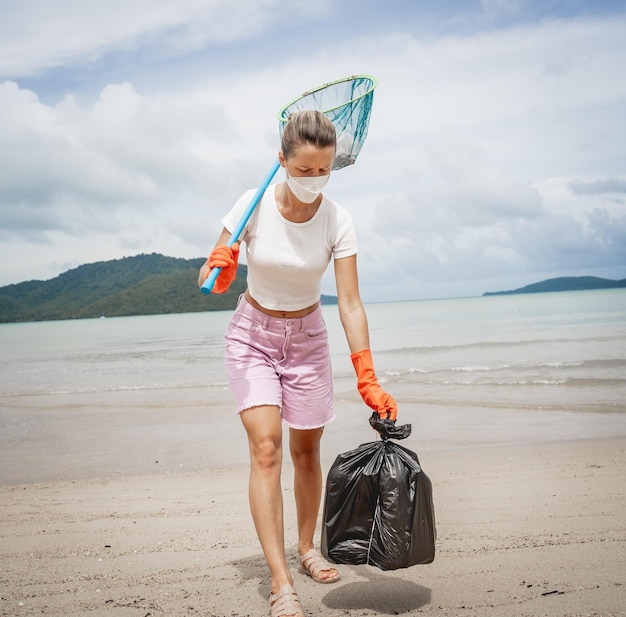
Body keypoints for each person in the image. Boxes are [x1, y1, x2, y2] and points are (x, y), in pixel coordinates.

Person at [198, 110, 397, 617]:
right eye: (304, 169)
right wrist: (219, 269)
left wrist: (367, 375)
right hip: (253, 336)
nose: (314, 180)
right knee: (266, 449)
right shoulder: (253, 204)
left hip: (307, 338)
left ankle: (306, 548)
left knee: (306, 454)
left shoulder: (337, 219)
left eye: (323, 170)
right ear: (282, 161)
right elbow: (210, 268)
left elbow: (349, 302)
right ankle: (280, 581)